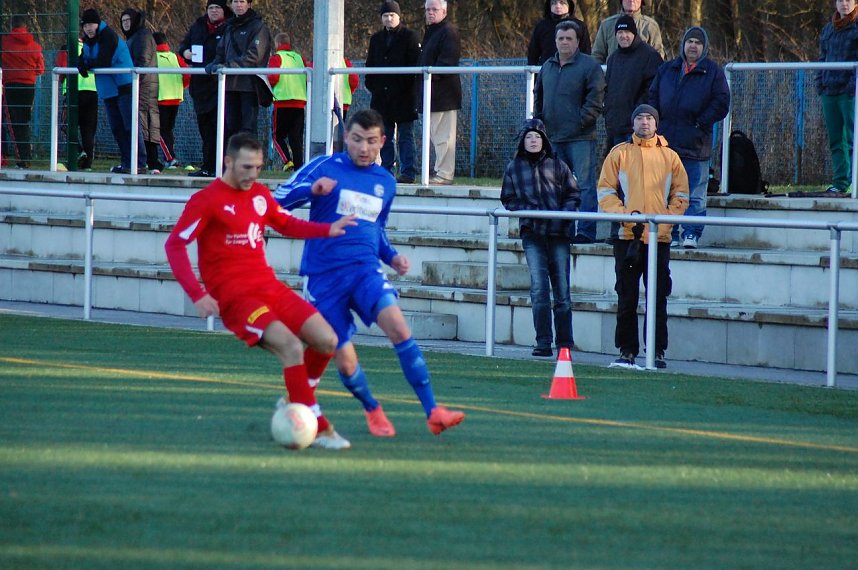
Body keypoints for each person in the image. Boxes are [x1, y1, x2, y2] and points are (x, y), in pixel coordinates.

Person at [274, 109, 465, 438]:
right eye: (357, 139)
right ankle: (372, 408)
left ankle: (433, 411)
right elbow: (275, 201)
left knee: (400, 328)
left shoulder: (386, 182)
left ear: (382, 142)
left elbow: (376, 228)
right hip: (324, 276)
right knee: (344, 357)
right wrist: (311, 191)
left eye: (371, 141)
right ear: (346, 137)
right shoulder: (323, 167)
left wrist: (391, 257)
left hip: (366, 271)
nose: (364, 147)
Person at [164, 132, 358, 450]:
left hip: (269, 287)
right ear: (227, 162)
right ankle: (319, 426)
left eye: (257, 167)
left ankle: (295, 398)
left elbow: (285, 223)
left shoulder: (259, 194)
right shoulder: (207, 200)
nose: (252, 174)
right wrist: (197, 294)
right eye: (245, 167)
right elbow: (175, 245)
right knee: (292, 348)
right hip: (237, 299)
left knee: (327, 341)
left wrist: (327, 229)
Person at [597, 104, 688, 369]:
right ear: (633, 123)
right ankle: (627, 350)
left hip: (659, 239)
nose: (644, 122)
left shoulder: (671, 157)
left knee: (658, 297)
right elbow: (606, 191)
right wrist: (626, 216)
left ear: (656, 123)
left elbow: (681, 195)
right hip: (627, 237)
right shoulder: (619, 153)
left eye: (649, 118)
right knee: (626, 296)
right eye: (639, 117)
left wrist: (665, 223)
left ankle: (657, 351)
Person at [500, 118, 580, 358]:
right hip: (533, 234)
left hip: (559, 234)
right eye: (528, 137)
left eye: (537, 136)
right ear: (522, 141)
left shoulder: (558, 165)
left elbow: (573, 194)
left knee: (563, 291)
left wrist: (564, 216)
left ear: (544, 140)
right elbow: (508, 198)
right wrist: (526, 208)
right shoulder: (514, 167)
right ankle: (543, 341)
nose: (533, 141)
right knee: (539, 289)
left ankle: (564, 344)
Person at [648, 26, 730, 250]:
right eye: (689, 41)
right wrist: (656, 124)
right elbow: (653, 97)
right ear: (683, 44)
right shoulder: (667, 69)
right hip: (666, 143)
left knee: (695, 192)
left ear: (704, 48)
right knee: (667, 191)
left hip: (696, 143)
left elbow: (721, 102)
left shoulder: (713, 72)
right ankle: (670, 232)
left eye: (698, 43)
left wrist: (701, 122)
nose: (693, 46)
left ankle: (692, 233)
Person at [534, 20, 604, 244]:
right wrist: (539, 124)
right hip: (553, 137)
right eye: (560, 38)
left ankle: (585, 231)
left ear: (577, 41)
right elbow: (539, 97)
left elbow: (596, 99)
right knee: (555, 186)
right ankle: (560, 229)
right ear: (555, 41)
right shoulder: (547, 66)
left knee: (584, 185)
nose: (564, 42)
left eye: (569, 38)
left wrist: (581, 122)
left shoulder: (589, 66)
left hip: (581, 138)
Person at [79, 8, 147, 175]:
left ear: (98, 24)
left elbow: (104, 60)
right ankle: (126, 163)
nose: (88, 28)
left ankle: (139, 163)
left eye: (91, 24)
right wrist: (81, 63)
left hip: (124, 86)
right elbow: (83, 57)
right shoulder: (88, 41)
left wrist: (87, 65)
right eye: (85, 25)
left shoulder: (108, 36)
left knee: (130, 126)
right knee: (117, 127)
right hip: (109, 90)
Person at [365, 0, 421, 184]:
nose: (389, 19)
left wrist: (405, 88)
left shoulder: (410, 37)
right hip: (382, 97)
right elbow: (370, 65)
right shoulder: (376, 39)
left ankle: (408, 172)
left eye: (392, 15)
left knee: (406, 136)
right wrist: (373, 86)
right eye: (385, 15)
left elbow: (414, 65)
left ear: (399, 16)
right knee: (385, 136)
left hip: (404, 96)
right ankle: (386, 171)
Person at [178, 0, 233, 177]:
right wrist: (185, 53)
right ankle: (208, 166)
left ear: (224, 10)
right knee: (205, 129)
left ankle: (221, 167)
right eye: (211, 8)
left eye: (217, 7)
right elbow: (183, 46)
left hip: (221, 85)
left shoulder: (229, 27)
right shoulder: (198, 26)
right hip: (200, 86)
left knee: (221, 129)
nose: (214, 11)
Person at [206, 0, 273, 142]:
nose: (238, 5)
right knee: (231, 127)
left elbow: (254, 56)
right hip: (229, 86)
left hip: (249, 86)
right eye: (235, 1)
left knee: (247, 129)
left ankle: (249, 163)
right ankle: (234, 163)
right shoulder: (229, 27)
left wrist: (228, 66)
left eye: (242, 1)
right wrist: (214, 64)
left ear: (249, 4)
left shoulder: (258, 27)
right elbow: (220, 51)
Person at [817, 0, 858, 194]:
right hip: (829, 91)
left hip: (849, 93)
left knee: (853, 138)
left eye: (849, 0)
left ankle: (854, 181)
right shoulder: (828, 29)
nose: (844, 4)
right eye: (841, 0)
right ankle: (841, 182)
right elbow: (822, 58)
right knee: (836, 140)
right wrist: (820, 84)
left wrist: (852, 87)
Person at [419, 0, 462, 185]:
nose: (430, 13)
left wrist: (430, 78)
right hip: (433, 93)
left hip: (443, 94)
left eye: (434, 9)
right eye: (427, 9)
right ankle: (440, 171)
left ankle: (444, 174)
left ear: (444, 11)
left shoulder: (448, 32)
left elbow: (447, 63)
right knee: (436, 135)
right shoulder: (432, 32)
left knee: (443, 137)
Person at [120, 8, 162, 173]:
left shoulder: (143, 36)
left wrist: (133, 79)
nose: (126, 24)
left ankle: (151, 162)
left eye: (128, 20)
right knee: (141, 122)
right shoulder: (133, 38)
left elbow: (142, 61)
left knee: (145, 122)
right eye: (123, 21)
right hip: (138, 84)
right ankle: (146, 162)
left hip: (143, 86)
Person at [1, 16, 45, 168]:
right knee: (24, 121)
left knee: (12, 122)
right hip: (28, 87)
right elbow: (40, 69)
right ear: (26, 27)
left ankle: (21, 158)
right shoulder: (35, 45)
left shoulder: (5, 43)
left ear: (12, 26)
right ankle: (26, 155)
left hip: (11, 85)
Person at [55, 38, 99, 171]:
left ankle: (80, 152)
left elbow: (61, 70)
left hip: (74, 92)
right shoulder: (90, 48)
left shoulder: (66, 48)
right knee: (88, 130)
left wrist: (61, 81)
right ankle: (88, 164)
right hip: (92, 91)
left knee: (66, 125)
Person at [267, 32, 308, 172]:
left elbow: (273, 77)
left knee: (276, 136)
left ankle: (287, 161)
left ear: (277, 44)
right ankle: (299, 167)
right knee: (296, 138)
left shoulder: (277, 58)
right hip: (299, 102)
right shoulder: (299, 58)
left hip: (282, 102)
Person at [153, 32, 190, 169]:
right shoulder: (175, 57)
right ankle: (170, 157)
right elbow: (187, 74)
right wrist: (182, 87)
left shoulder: (153, 57)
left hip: (161, 98)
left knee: (159, 130)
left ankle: (170, 158)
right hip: (175, 98)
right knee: (168, 130)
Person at [591, 0, 664, 64]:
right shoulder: (607, 25)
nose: (631, 0)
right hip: (612, 76)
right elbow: (597, 56)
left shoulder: (650, 26)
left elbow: (658, 57)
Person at [527, 0, 591, 65]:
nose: (558, 6)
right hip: (548, 69)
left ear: (569, 5)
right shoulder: (541, 26)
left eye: (562, 2)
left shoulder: (580, 26)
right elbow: (533, 54)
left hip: (574, 70)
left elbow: (586, 53)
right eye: (554, 3)